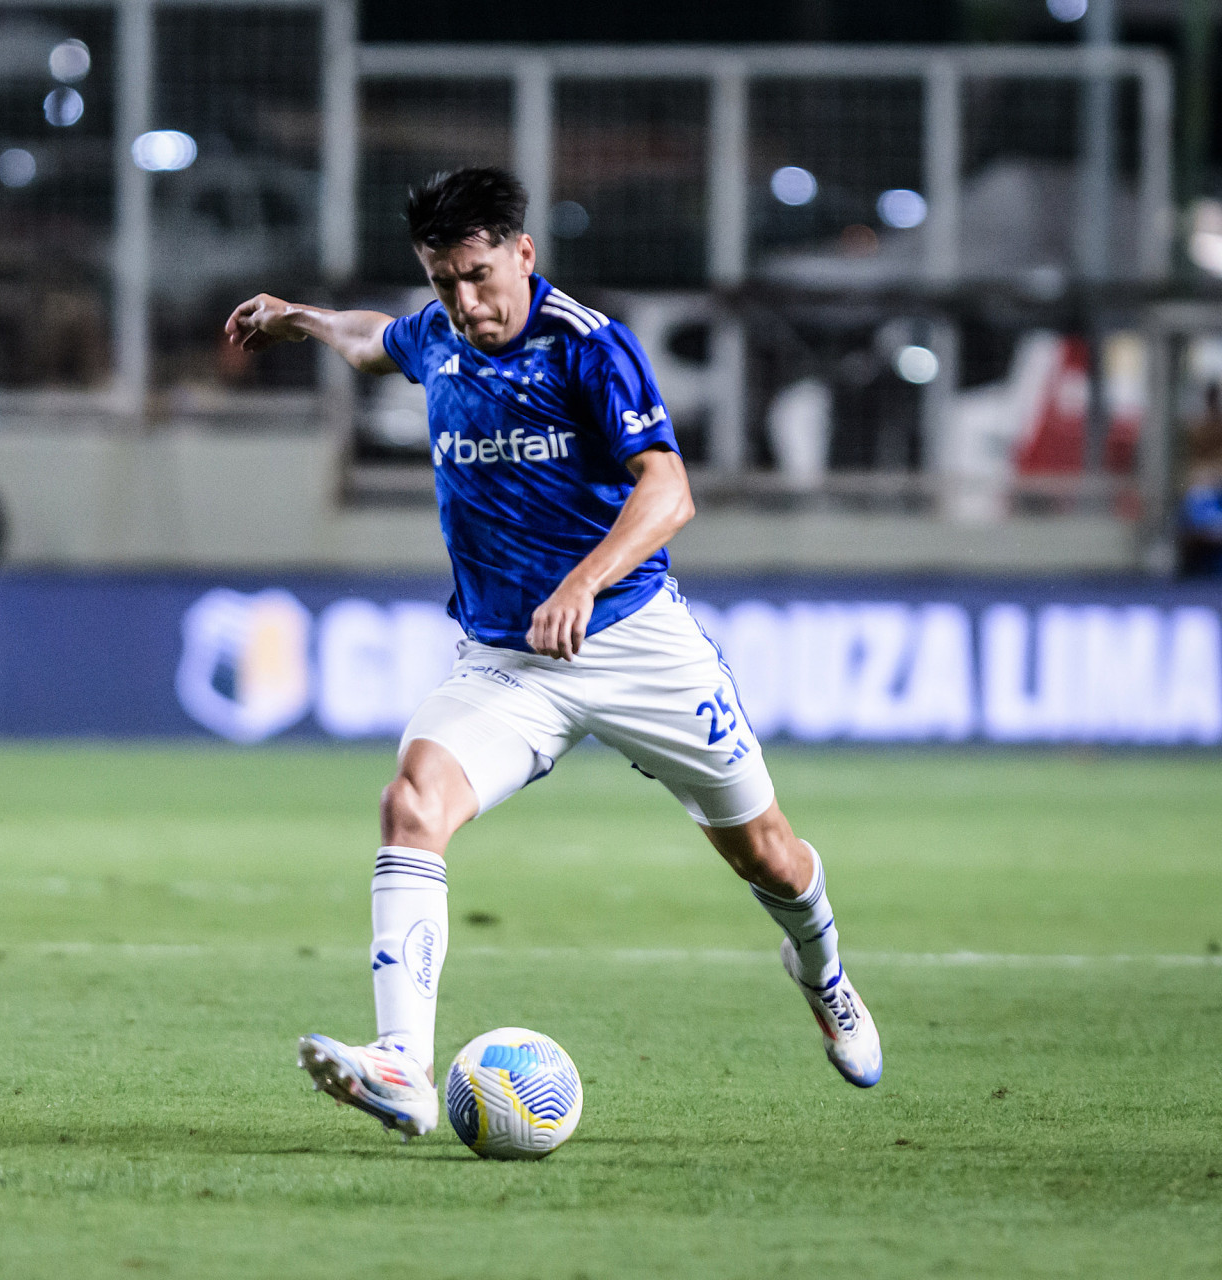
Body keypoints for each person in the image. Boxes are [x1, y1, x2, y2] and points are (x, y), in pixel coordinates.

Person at [225, 167, 880, 1140]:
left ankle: (822, 969)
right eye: (444, 280)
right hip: (506, 661)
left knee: (770, 855)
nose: (465, 300)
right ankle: (401, 1062)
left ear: (523, 254)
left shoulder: (588, 346)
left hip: (635, 641)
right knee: (410, 805)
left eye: (480, 274)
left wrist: (581, 579)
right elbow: (377, 342)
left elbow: (668, 491)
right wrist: (301, 318)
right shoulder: (439, 332)